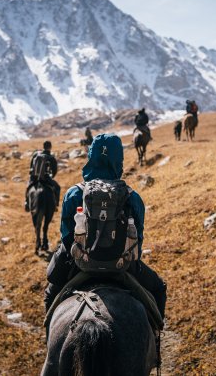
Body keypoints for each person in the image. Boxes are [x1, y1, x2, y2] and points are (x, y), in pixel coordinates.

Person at [44, 133, 167, 319]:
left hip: (79, 265)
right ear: (119, 160)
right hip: (122, 266)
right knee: (159, 288)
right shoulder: (132, 198)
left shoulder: (73, 194)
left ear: (91, 156)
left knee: (50, 294)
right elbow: (137, 244)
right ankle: (156, 342)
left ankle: (49, 344)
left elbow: (66, 236)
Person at [24, 141, 60, 212]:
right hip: (45, 179)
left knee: (28, 187)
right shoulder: (51, 157)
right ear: (50, 147)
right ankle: (55, 205)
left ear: (43, 146)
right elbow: (54, 171)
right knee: (57, 188)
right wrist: (51, 177)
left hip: (34, 177)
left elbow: (31, 166)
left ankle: (27, 203)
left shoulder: (35, 155)